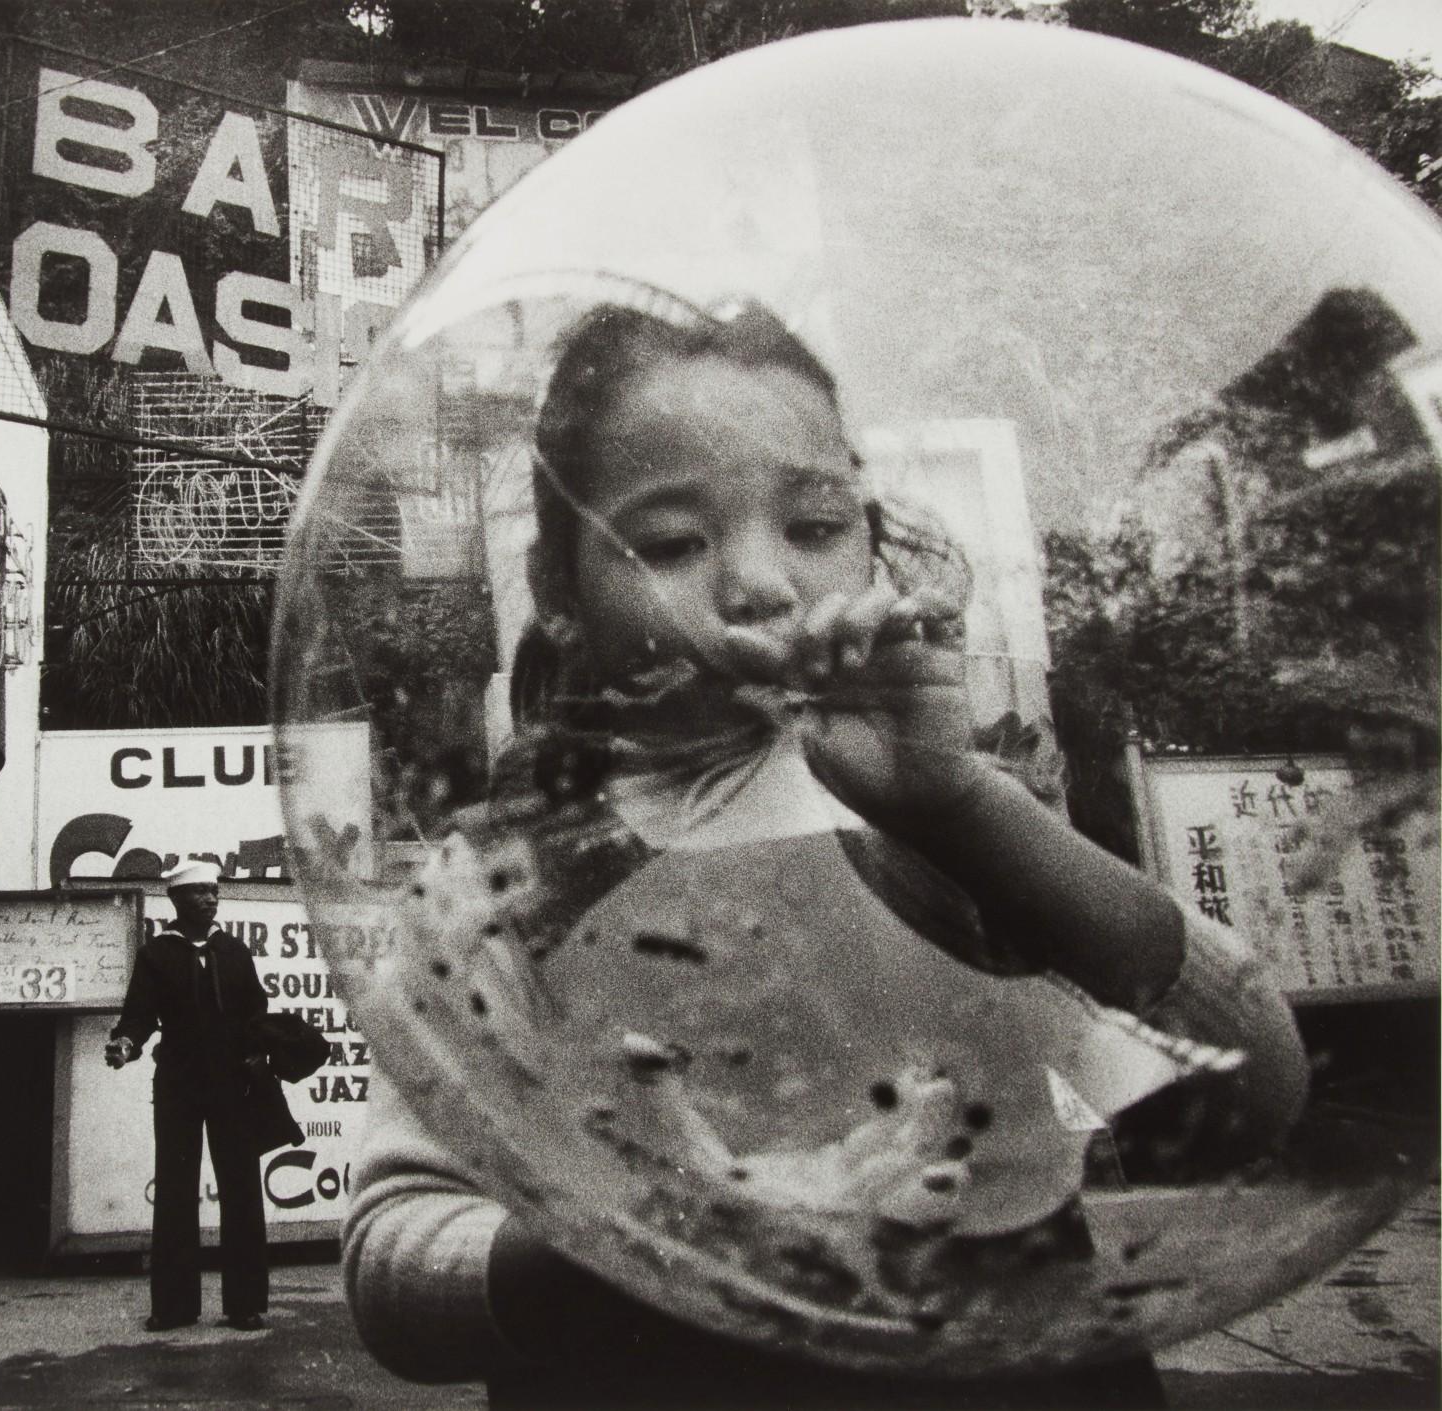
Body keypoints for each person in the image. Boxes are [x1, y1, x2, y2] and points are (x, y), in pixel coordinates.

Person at [342, 297, 1311, 1407]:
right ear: (560, 588)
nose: (760, 581)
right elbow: (394, 1261)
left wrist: (958, 809)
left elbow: (1248, 1101)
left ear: (868, 535)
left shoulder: (956, 820)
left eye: (811, 523)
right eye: (670, 540)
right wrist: (678, 1231)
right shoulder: (507, 875)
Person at [107, 858, 271, 1332]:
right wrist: (125, 1043)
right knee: (176, 1190)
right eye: (198, 892)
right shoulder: (156, 955)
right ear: (176, 900)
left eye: (213, 891)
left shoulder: (236, 952)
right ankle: (174, 1306)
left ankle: (245, 1304)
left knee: (241, 1188)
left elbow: (257, 1014)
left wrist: (260, 1052)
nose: (209, 898)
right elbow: (139, 1015)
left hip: (232, 1086)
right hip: (178, 1084)